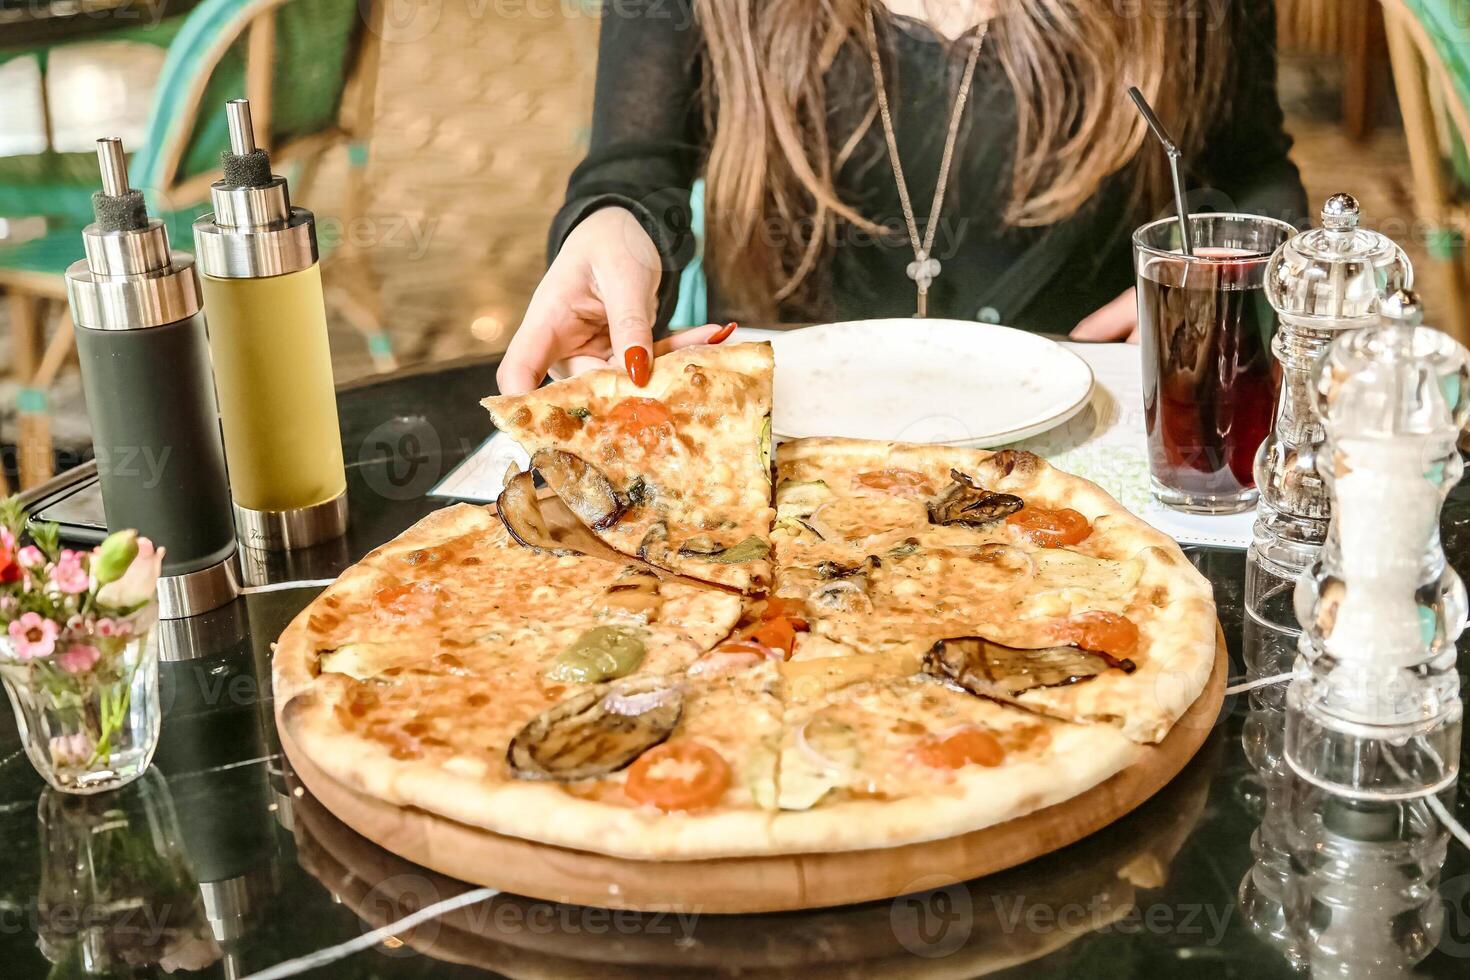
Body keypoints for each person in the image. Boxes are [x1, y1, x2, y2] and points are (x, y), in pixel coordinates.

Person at [496, 0, 1306, 395]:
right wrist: (612, 225)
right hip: (782, 466)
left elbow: (1249, 168)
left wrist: (1235, 279)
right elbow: (634, 170)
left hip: (1091, 472)